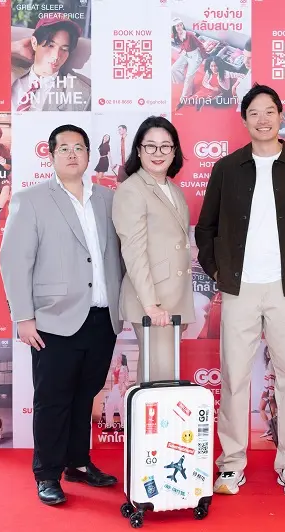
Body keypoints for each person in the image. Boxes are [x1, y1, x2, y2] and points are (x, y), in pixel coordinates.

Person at [195, 83, 285, 496]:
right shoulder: (227, 168)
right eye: (254, 112)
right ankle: (231, 464)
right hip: (238, 288)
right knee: (234, 377)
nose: (262, 119)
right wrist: (217, 270)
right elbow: (206, 227)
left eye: (269, 111)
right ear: (244, 120)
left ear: (280, 116)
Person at [0, 124, 124, 506]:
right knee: (52, 400)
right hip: (53, 319)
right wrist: (23, 317)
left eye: (79, 147)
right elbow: (14, 260)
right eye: (64, 148)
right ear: (51, 156)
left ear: (89, 155)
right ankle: (47, 474)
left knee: (85, 395)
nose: (72, 154)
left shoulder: (108, 199)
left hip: (102, 317)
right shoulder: (32, 199)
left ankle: (78, 463)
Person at [112, 116, 194, 381]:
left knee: (162, 377)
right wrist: (150, 305)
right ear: (138, 150)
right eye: (150, 146)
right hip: (153, 301)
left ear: (174, 150)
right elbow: (133, 251)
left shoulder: (174, 190)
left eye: (165, 146)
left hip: (175, 298)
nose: (158, 153)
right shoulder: (132, 190)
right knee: (158, 379)